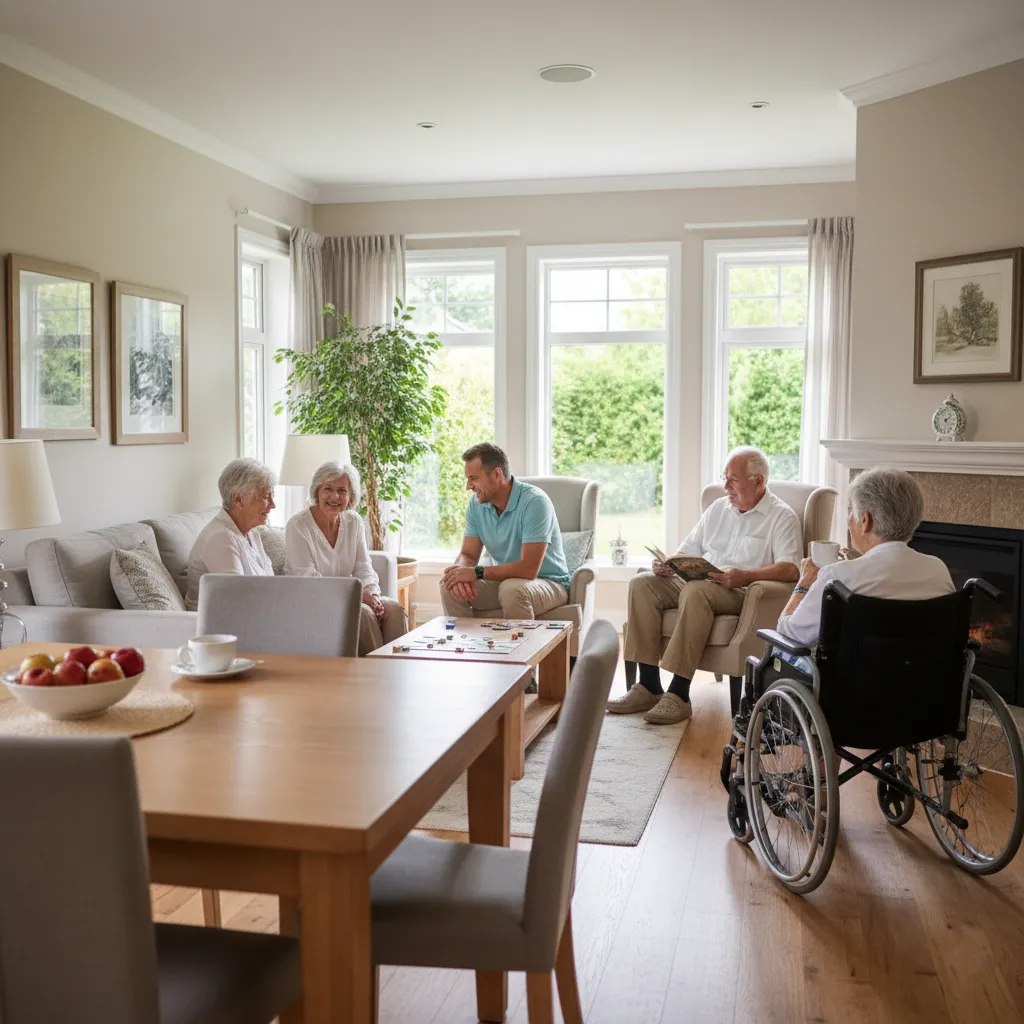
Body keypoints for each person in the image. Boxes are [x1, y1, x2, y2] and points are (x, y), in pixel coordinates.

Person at [613, 446, 802, 725]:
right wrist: (668, 564)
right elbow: (688, 548)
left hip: (741, 591)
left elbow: (791, 568)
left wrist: (745, 575)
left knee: (696, 590)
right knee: (643, 583)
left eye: (733, 480)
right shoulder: (718, 508)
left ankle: (678, 694)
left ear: (758, 481)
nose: (725, 486)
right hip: (701, 581)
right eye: (725, 478)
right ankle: (649, 686)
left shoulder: (781, 516)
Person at [776, 468, 953, 647]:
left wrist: (804, 584)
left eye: (852, 511)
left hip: (850, 675)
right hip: (927, 674)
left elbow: (789, 635)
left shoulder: (838, 579)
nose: (849, 520)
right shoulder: (939, 571)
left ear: (865, 520)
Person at [284, 460, 407, 656]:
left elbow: (363, 568)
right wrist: (358, 595)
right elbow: (309, 581)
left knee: (393, 609)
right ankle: (374, 676)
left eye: (342, 490)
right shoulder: (298, 526)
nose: (335, 496)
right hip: (312, 601)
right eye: (328, 489)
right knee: (363, 613)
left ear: (350, 496)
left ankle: (397, 671)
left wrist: (372, 595)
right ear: (316, 491)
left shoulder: (353, 521)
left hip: (350, 597)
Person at [440, 443, 571, 621]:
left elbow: (529, 569)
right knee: (449, 585)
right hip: (505, 582)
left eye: (473, 478)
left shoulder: (535, 502)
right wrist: (458, 571)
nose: (468, 486)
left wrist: (476, 572)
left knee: (512, 590)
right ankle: (466, 646)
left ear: (496, 474)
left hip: (549, 583)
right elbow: (468, 554)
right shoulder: (476, 504)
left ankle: (523, 649)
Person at [185, 457, 276, 611]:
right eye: (266, 497)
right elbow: (237, 602)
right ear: (238, 499)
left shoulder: (251, 533)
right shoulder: (220, 538)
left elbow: (270, 586)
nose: (273, 505)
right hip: (218, 629)